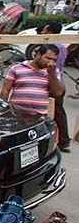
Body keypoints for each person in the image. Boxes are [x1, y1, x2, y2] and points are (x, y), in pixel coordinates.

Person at [0, 44, 64, 118]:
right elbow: (5, 90)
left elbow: (58, 93)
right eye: (48, 58)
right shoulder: (17, 68)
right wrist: (2, 109)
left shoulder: (53, 72)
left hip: (39, 115)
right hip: (16, 112)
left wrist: (52, 74)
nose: (50, 62)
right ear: (38, 55)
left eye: (54, 60)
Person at [40, 23, 71, 152]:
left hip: (53, 82)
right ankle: (63, 140)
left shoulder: (51, 48)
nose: (42, 33)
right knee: (59, 112)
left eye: (45, 30)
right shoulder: (63, 47)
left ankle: (60, 141)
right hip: (59, 81)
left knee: (53, 112)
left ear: (50, 32)